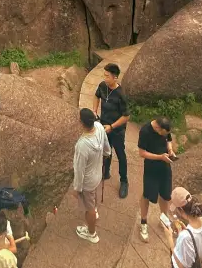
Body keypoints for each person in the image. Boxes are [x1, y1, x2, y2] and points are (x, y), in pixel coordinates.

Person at [72, 107, 111, 245]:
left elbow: (79, 169)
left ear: (81, 123)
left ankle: (91, 233)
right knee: (93, 197)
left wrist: (77, 188)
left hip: (87, 182)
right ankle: (94, 212)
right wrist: (106, 154)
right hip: (97, 174)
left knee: (89, 209)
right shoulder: (100, 127)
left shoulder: (82, 145)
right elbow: (107, 147)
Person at [93, 63, 130, 199]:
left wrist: (112, 127)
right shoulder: (103, 86)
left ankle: (124, 181)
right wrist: (94, 111)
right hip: (103, 126)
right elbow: (96, 96)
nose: (105, 78)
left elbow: (126, 116)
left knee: (120, 154)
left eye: (107, 76)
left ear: (115, 77)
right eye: (105, 75)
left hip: (117, 130)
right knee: (105, 151)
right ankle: (105, 172)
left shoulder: (121, 95)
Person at [138, 115, 175, 243]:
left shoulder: (165, 129)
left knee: (165, 195)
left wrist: (170, 149)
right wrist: (160, 157)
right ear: (158, 128)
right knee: (147, 195)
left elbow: (168, 139)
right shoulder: (145, 131)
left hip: (165, 166)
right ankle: (143, 222)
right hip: (151, 167)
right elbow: (142, 153)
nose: (163, 136)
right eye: (162, 133)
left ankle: (164, 219)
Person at [168, 196, 202, 268]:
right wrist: (186, 230)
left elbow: (181, 266)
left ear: (181, 211)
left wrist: (171, 244)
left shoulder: (185, 236)